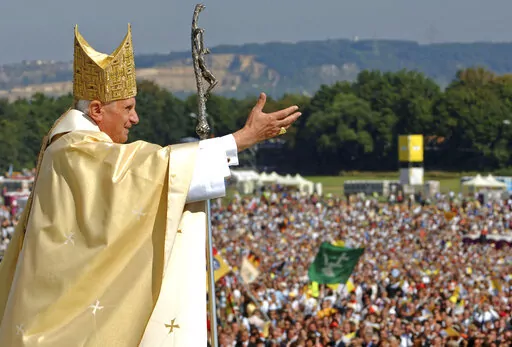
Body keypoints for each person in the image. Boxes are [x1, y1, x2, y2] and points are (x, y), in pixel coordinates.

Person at [0, 25, 301, 347]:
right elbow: (149, 173)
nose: (135, 118)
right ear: (98, 110)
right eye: (128, 108)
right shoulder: (75, 151)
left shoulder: (72, 148)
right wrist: (242, 139)